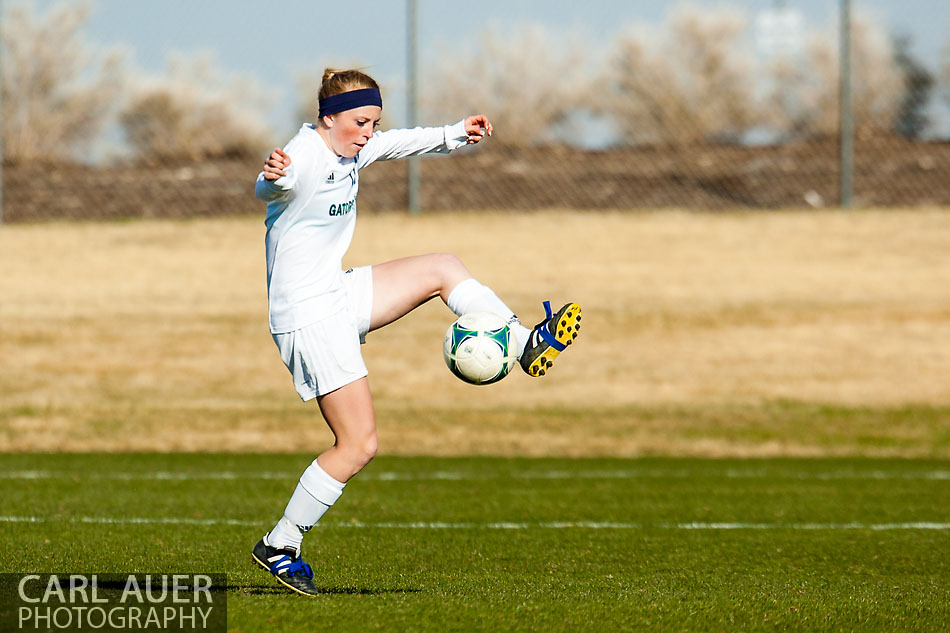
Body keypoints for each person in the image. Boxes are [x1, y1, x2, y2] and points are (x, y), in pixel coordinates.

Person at [251, 68, 582, 596]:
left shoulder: (352, 147)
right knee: (358, 445)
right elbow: (271, 184)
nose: (367, 132)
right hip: (307, 316)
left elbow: (397, 145)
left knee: (442, 266)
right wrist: (273, 176)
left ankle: (524, 343)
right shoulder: (305, 153)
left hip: (335, 294)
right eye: (359, 122)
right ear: (328, 117)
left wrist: (455, 134)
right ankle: (281, 543)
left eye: (373, 121)